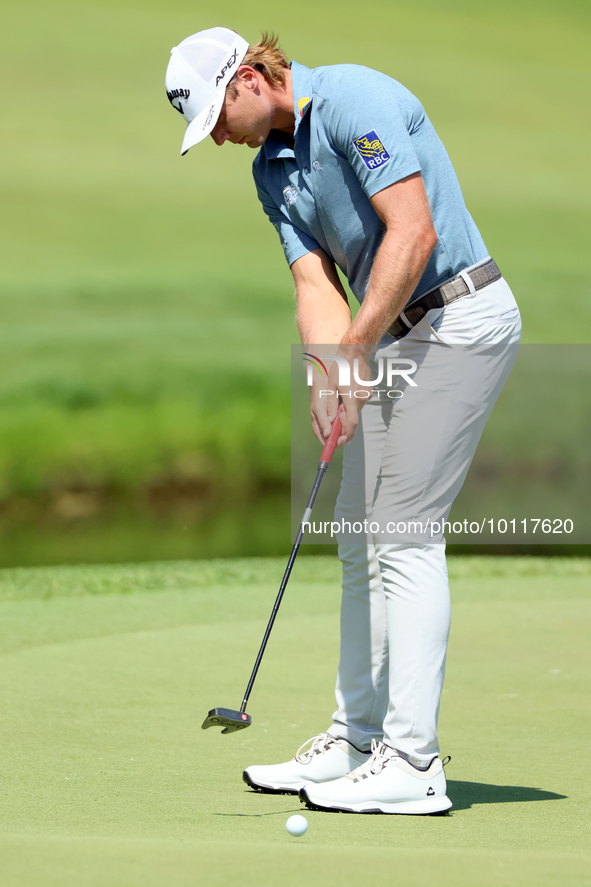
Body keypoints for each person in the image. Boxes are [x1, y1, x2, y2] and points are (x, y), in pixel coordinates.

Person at [165, 27, 521, 814]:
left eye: (217, 117)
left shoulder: (353, 98)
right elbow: (313, 284)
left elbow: (413, 230)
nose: (219, 137)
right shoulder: (271, 170)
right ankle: (357, 737)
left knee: (402, 531)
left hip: (460, 318)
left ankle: (414, 763)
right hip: (396, 334)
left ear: (250, 77)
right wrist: (330, 369)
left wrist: (356, 349)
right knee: (358, 535)